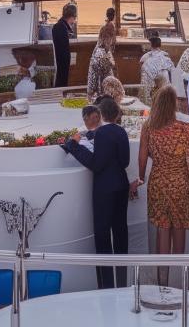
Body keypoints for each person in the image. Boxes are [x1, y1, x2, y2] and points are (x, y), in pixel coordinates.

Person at [132, 86, 189, 286]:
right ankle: (178, 278)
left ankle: (161, 279)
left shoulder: (148, 127)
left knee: (162, 228)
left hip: (158, 182)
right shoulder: (185, 129)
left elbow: (141, 158)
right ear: (174, 105)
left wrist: (140, 178)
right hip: (180, 182)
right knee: (179, 226)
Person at [63, 96, 131, 288]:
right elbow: (125, 162)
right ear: (116, 114)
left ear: (100, 114)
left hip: (105, 189)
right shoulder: (121, 132)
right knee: (120, 233)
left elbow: (96, 164)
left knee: (102, 236)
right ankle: (122, 280)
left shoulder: (102, 134)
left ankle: (106, 284)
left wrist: (73, 146)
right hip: (121, 185)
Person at [139, 35, 175, 103]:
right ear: (160, 45)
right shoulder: (166, 56)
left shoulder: (145, 57)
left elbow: (141, 67)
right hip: (165, 80)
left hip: (151, 79)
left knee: (151, 97)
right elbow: (174, 73)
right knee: (165, 95)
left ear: (150, 45)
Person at [87, 22, 118, 101]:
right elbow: (105, 75)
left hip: (103, 93)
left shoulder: (105, 49)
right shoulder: (100, 53)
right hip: (101, 95)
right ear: (106, 38)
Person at [52, 3, 77, 88]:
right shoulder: (61, 27)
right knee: (61, 83)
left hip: (60, 62)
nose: (74, 21)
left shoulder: (59, 26)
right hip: (61, 63)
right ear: (72, 17)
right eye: (74, 18)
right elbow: (63, 51)